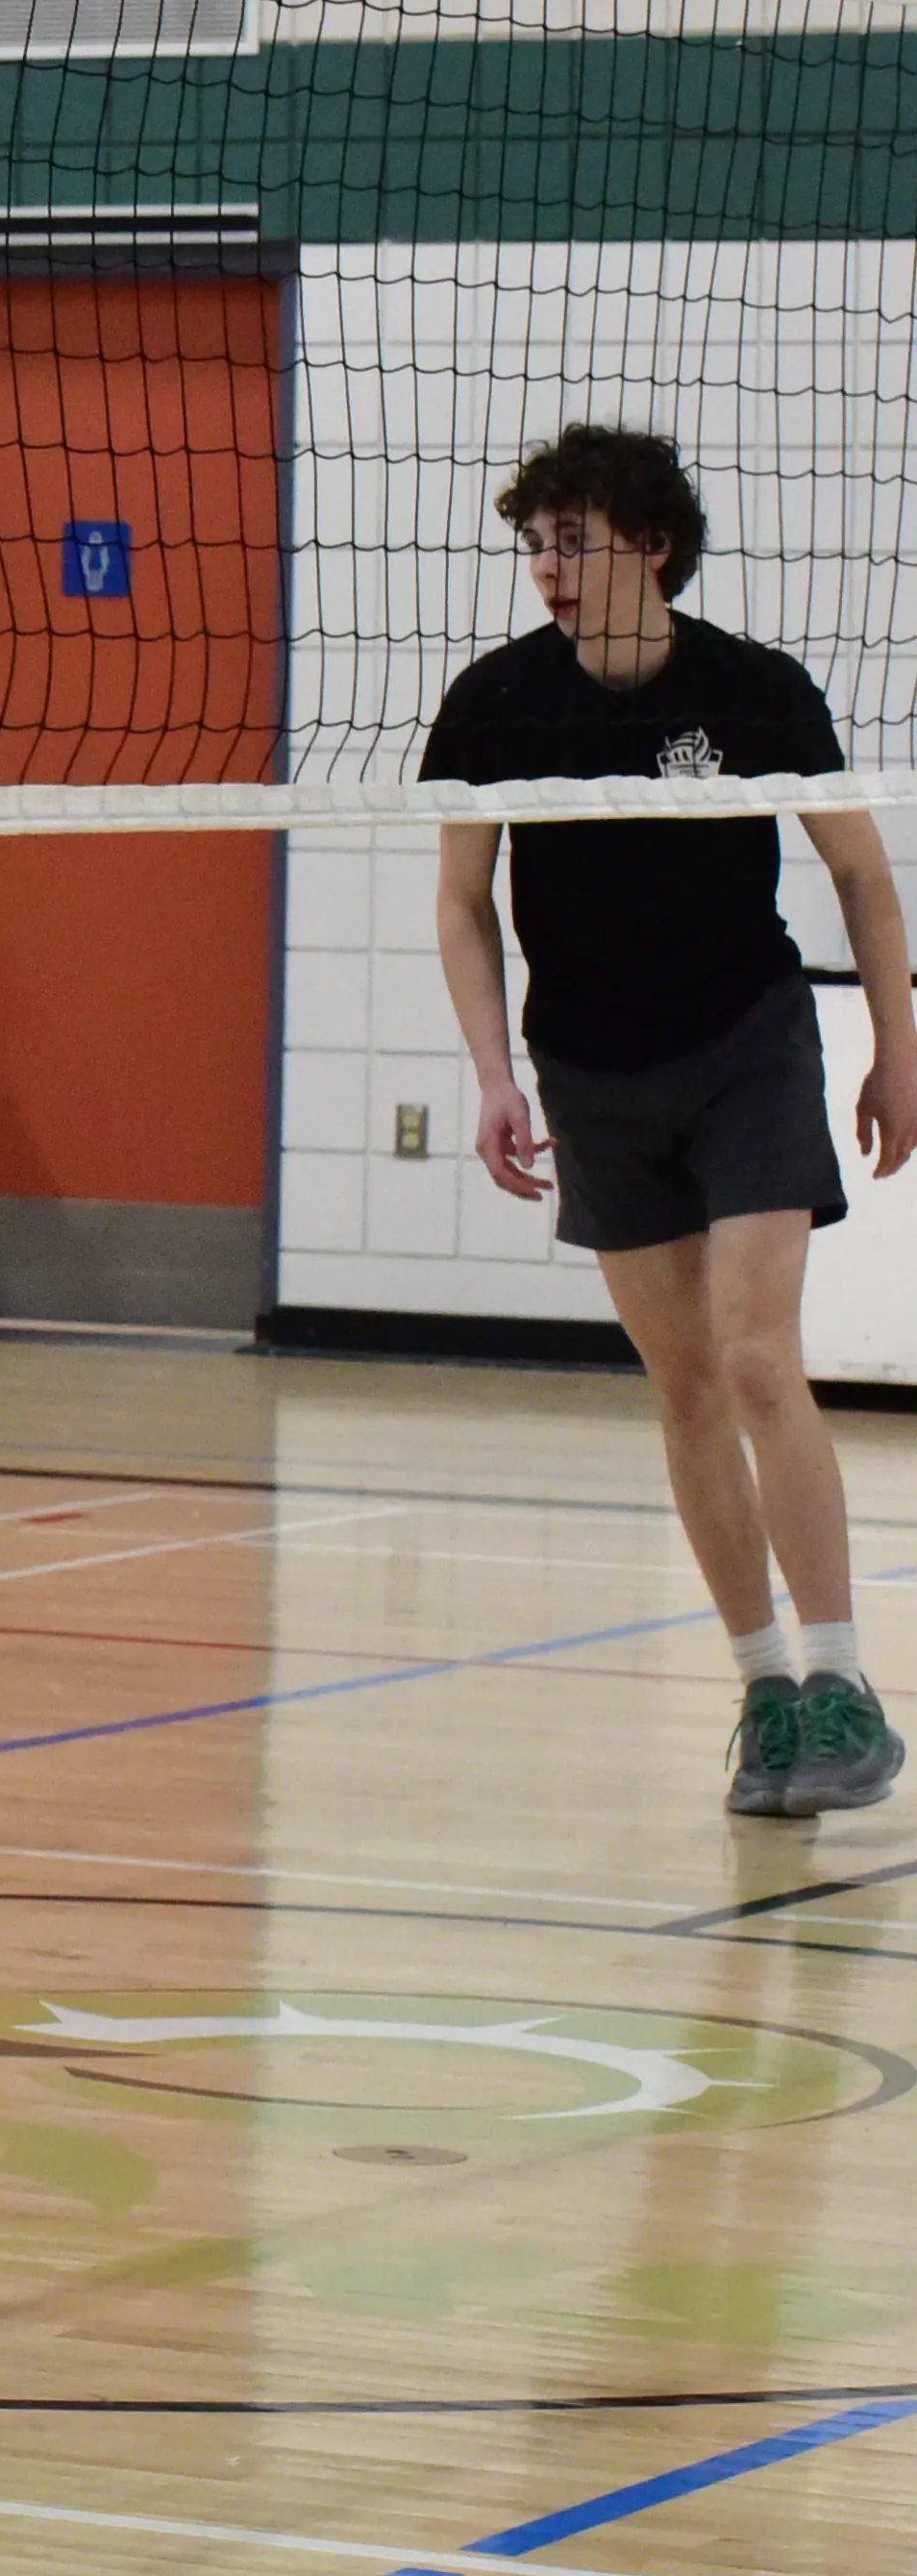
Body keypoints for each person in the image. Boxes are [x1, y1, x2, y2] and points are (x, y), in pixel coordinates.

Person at [432, 422, 913, 1819]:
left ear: (652, 545)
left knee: (762, 1357)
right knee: (688, 1380)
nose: (549, 569)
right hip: (590, 1065)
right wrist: (492, 1075)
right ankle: (765, 1690)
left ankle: (841, 1680)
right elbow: (463, 902)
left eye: (573, 539)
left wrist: (899, 1046)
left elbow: (865, 881)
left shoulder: (757, 694)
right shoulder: (496, 705)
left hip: (747, 1045)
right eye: (534, 545)